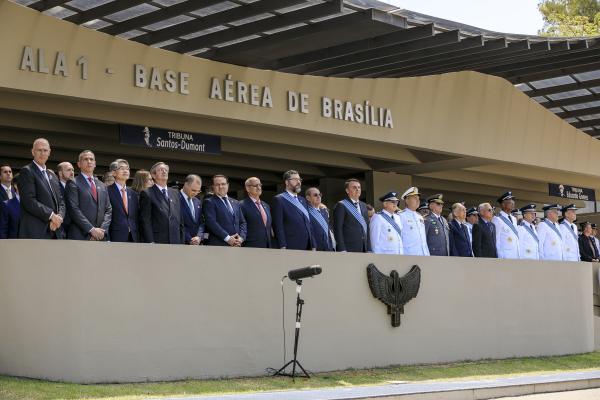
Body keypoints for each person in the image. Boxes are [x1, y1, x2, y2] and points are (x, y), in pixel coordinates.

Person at [18, 138, 65, 239]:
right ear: (32, 152)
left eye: (45, 150)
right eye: (39, 150)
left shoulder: (52, 175)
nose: (42, 153)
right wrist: (52, 216)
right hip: (36, 232)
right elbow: (29, 201)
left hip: (55, 230)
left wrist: (59, 218)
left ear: (49, 152)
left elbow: (61, 201)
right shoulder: (27, 171)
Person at [65, 150, 112, 241]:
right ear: (79, 164)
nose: (89, 161)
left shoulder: (102, 185)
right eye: (85, 159)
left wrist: (102, 230)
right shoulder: (73, 183)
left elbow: (108, 210)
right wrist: (91, 230)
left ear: (95, 164)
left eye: (91, 159)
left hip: (100, 237)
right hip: (80, 235)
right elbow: (74, 209)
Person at [139, 162, 184, 244]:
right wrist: (150, 241)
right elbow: (145, 221)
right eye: (160, 170)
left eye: (166, 170)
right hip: (158, 241)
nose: (164, 171)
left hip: (176, 241)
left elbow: (180, 219)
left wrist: (182, 240)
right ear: (153, 175)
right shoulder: (147, 193)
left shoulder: (175, 193)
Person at [271, 170, 315, 250]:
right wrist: (282, 246)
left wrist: (313, 244)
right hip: (291, 245)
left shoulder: (303, 200)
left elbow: (309, 223)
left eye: (299, 179)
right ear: (287, 182)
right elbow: (278, 226)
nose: (298, 182)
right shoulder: (279, 200)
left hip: (308, 245)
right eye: (295, 179)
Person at [202, 174, 246, 246]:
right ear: (213, 187)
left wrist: (241, 238)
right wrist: (228, 238)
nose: (221, 187)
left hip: (236, 244)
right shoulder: (209, 202)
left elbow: (243, 222)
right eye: (217, 185)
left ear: (228, 185)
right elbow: (211, 223)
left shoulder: (236, 202)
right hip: (218, 244)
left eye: (223, 184)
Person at [333, 178, 369, 252]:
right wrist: (342, 248)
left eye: (359, 187)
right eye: (354, 187)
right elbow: (338, 228)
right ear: (347, 190)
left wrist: (369, 247)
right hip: (348, 247)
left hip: (363, 247)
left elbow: (367, 227)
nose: (357, 189)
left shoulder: (364, 205)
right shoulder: (341, 205)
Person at [107, 159, 139, 242]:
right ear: (113, 173)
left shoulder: (134, 194)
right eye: (122, 168)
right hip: (115, 237)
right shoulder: (107, 191)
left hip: (133, 237)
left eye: (127, 168)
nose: (126, 170)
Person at [240, 177, 272, 248]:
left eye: (260, 185)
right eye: (255, 185)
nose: (259, 187)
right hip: (250, 246)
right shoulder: (241, 205)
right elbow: (241, 226)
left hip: (267, 246)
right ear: (247, 188)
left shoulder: (266, 205)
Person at [399, 187, 429, 256]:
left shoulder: (420, 217)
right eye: (415, 198)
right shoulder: (400, 216)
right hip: (409, 255)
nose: (418, 201)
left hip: (423, 255)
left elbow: (423, 240)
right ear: (406, 200)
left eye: (418, 199)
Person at [492, 191, 520, 259]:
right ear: (503, 205)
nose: (513, 204)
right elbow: (496, 240)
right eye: (510, 202)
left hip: (515, 254)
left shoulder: (514, 219)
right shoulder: (497, 219)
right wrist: (500, 256)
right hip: (505, 256)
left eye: (513, 202)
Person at [305, 187, 333, 251]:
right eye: (315, 195)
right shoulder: (306, 212)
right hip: (315, 248)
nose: (318, 196)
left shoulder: (324, 212)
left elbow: (328, 231)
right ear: (308, 198)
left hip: (328, 248)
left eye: (319, 195)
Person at [180, 174, 203, 246]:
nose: (195, 193)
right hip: (181, 242)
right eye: (193, 190)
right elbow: (176, 223)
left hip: (196, 243)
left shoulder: (197, 202)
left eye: (198, 191)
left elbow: (201, 222)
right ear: (186, 184)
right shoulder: (175, 198)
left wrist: (199, 237)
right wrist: (189, 239)